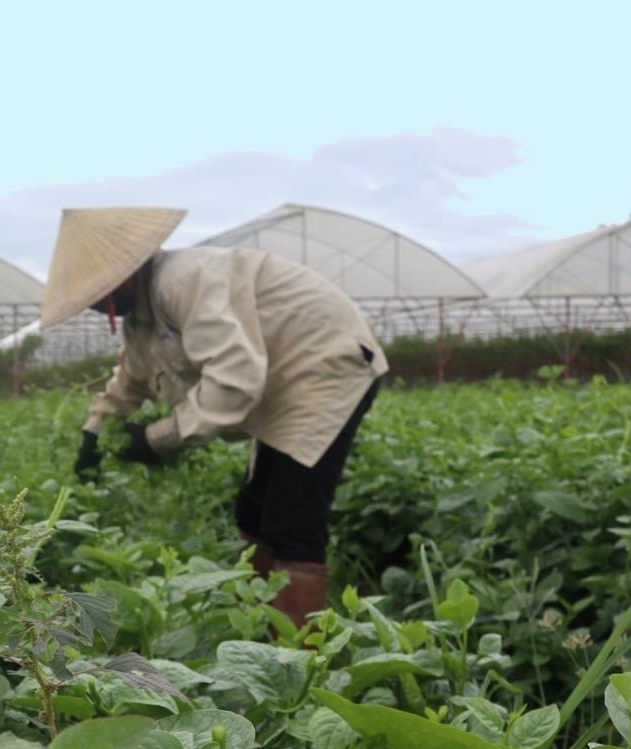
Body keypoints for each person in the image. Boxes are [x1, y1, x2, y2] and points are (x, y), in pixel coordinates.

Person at [42, 207, 388, 629]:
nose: (96, 306)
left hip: (324, 366)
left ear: (122, 276)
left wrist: (157, 438)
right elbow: (130, 380)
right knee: (252, 514)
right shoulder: (142, 318)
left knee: (292, 518)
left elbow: (233, 380)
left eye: (96, 295)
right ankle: (261, 625)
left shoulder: (184, 280)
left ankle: (302, 657)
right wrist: (94, 434)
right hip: (281, 382)